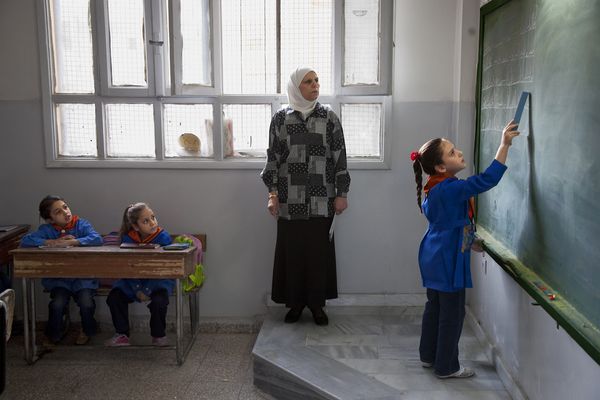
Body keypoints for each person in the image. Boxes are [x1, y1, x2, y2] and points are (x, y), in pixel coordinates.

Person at [411, 121, 520, 378]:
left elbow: (452, 222)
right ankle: (447, 367)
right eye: (452, 153)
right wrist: (504, 144)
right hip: (448, 258)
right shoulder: (451, 188)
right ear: (440, 167)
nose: (459, 153)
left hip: (433, 253)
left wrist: (470, 241)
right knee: (453, 313)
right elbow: (486, 180)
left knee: (435, 307)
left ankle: (428, 356)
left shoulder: (433, 186)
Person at [260, 67, 351, 326]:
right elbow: (273, 160)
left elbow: (340, 157)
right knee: (294, 253)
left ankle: (317, 305)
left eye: (317, 80)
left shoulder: (329, 117)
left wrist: (342, 193)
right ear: (295, 87)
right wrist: (273, 194)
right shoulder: (281, 119)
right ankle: (296, 303)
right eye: (308, 82)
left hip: (323, 200)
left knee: (318, 255)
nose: (315, 85)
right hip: (290, 201)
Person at [20, 195, 102, 345]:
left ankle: (88, 329)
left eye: (65, 207)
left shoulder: (81, 224)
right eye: (58, 212)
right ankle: (53, 334)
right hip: (60, 280)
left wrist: (74, 241)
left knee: (86, 303)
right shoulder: (46, 229)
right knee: (57, 304)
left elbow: (97, 238)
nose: (65, 212)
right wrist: (52, 242)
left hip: (82, 279)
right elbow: (25, 241)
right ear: (50, 219)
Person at [105, 203, 173, 347]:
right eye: (146, 221)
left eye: (153, 217)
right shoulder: (127, 239)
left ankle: (158, 335)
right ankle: (122, 334)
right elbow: (127, 267)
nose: (152, 222)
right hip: (131, 282)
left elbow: (161, 268)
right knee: (114, 297)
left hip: (157, 282)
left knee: (159, 302)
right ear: (135, 226)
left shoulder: (163, 237)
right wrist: (138, 290)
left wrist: (146, 291)